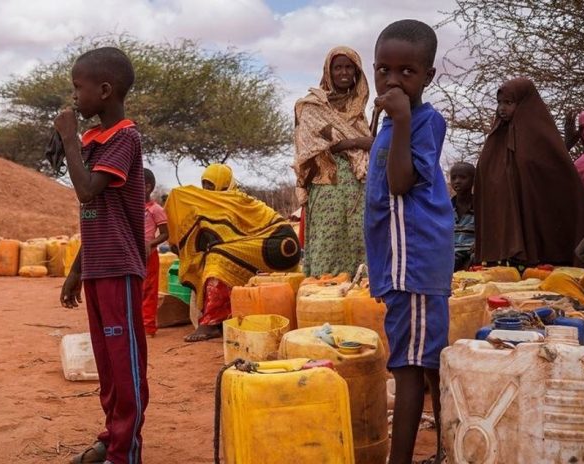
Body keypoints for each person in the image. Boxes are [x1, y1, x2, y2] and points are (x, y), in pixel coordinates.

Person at [53, 47, 148, 464]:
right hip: (98, 266)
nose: (74, 97)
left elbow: (88, 190)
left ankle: (126, 451)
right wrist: (77, 269)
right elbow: (95, 214)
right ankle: (111, 439)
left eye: (79, 88)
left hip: (120, 268)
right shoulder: (95, 140)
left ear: (105, 90)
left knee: (125, 365)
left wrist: (70, 138)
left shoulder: (125, 136)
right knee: (107, 366)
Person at [365, 19, 451, 464]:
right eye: (384, 69)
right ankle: (446, 449)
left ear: (428, 76)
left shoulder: (424, 121)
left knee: (409, 365)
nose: (393, 80)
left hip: (412, 263)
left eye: (406, 71)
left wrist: (398, 120)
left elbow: (400, 183)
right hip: (400, 262)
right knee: (426, 358)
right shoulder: (393, 125)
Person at [165, 164, 301, 342]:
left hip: (280, 244)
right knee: (217, 254)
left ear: (223, 183)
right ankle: (226, 316)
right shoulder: (211, 203)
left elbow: (228, 238)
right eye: (204, 185)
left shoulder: (236, 200)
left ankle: (212, 322)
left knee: (218, 257)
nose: (206, 190)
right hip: (264, 243)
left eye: (210, 185)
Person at [475, 77, 584, 267]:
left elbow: (553, 175)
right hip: (505, 242)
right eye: (499, 103)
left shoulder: (540, 136)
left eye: (509, 103)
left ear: (524, 103)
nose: (502, 109)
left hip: (541, 241)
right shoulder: (496, 139)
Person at [293, 46, 373, 277]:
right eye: (338, 67)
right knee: (328, 240)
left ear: (357, 73)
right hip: (327, 184)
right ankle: (323, 295)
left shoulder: (358, 108)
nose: (344, 72)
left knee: (359, 238)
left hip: (357, 187)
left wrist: (363, 142)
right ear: (329, 71)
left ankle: (358, 294)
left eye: (349, 67)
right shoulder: (312, 106)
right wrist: (357, 142)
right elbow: (311, 146)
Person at [143, 168, 169, 337]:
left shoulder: (156, 209)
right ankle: (135, 326)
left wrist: (150, 244)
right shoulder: (129, 207)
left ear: (147, 187)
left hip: (148, 254)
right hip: (131, 253)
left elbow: (166, 233)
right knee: (133, 290)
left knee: (149, 290)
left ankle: (148, 327)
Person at [450, 162, 476, 271]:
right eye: (453, 178)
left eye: (463, 177)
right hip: (450, 256)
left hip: (471, 257)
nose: (457, 181)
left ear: (473, 180)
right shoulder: (446, 208)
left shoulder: (481, 207)